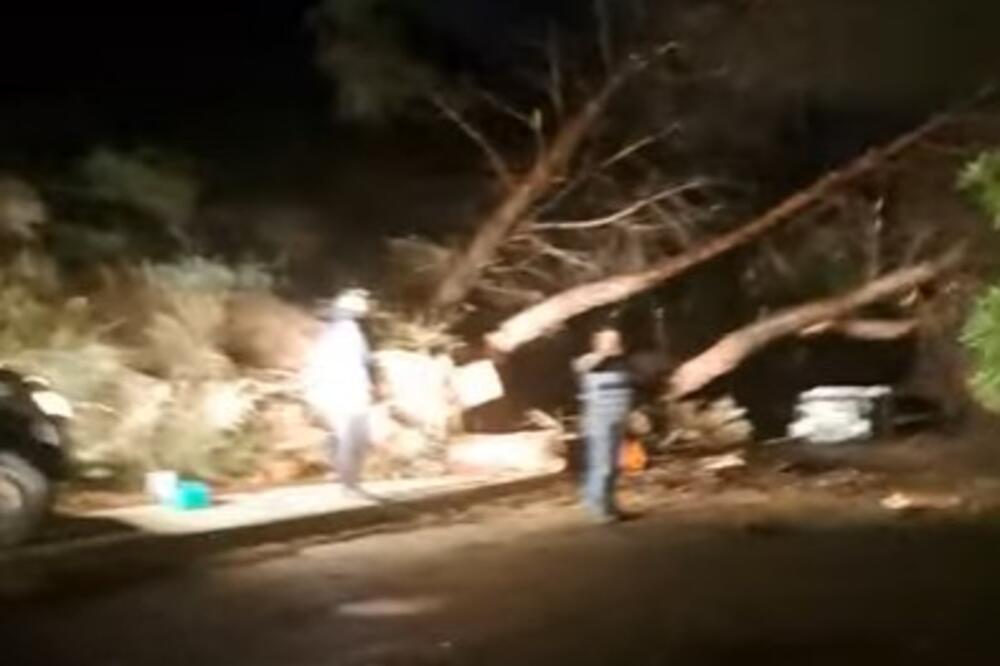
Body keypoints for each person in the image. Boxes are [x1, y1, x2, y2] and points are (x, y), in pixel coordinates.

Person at [302, 288, 374, 490]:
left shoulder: (330, 333)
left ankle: (341, 475)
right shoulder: (349, 332)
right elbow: (363, 363)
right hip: (346, 392)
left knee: (340, 433)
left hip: (333, 391)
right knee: (350, 435)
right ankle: (348, 480)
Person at [573, 326, 634, 522]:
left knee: (614, 466)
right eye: (609, 340)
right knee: (602, 465)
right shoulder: (588, 362)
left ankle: (610, 504)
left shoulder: (622, 364)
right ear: (598, 342)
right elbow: (580, 368)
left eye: (616, 340)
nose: (614, 344)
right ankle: (597, 507)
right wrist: (602, 353)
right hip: (598, 421)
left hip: (617, 418)